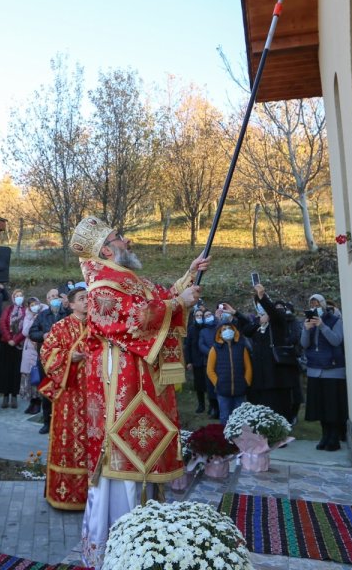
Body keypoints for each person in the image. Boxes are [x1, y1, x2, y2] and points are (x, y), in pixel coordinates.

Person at [71, 215, 206, 567]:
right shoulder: (102, 286)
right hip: (121, 387)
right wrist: (179, 305)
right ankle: (118, 549)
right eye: (118, 237)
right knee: (123, 463)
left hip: (143, 381)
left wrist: (189, 276)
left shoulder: (129, 279)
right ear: (104, 249)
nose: (126, 241)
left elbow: (161, 298)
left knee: (145, 459)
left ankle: (147, 543)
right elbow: (133, 320)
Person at [38, 287, 95, 510]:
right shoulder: (60, 327)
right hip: (69, 396)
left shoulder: (97, 327)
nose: (87, 302)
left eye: (88, 298)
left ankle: (92, 496)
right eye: (81, 299)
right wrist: (71, 356)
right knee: (68, 441)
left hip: (93, 395)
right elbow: (46, 354)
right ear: (70, 305)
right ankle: (62, 494)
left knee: (91, 441)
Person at [242, 283, 299, 422]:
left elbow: (273, 312)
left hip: (277, 375)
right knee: (263, 407)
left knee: (279, 406)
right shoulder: (257, 323)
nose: (260, 306)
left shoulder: (278, 320)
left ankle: (281, 432)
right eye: (258, 304)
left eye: (262, 303)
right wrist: (257, 321)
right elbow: (246, 330)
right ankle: (267, 433)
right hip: (261, 376)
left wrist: (262, 297)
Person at [301, 293, 347, 451]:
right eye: (312, 305)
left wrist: (322, 326)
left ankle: (334, 438)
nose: (315, 308)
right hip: (314, 369)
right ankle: (324, 435)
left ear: (323, 305)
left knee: (332, 407)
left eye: (317, 305)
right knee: (320, 406)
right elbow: (304, 344)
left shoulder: (335, 320)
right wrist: (307, 330)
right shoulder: (308, 322)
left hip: (333, 370)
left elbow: (336, 340)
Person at [26, 289, 66, 433]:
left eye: (56, 296)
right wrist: (43, 335)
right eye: (51, 297)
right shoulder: (42, 315)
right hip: (45, 359)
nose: (54, 299)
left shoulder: (67, 314)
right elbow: (32, 333)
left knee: (63, 391)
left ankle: (62, 422)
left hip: (64, 359)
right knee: (47, 391)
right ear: (47, 301)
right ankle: (47, 422)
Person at [207, 318, 252, 425]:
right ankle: (226, 440)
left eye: (229, 328)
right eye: (224, 329)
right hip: (223, 390)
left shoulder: (241, 347)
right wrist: (217, 383)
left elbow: (248, 367)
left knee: (240, 417)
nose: (227, 330)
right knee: (225, 416)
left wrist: (247, 382)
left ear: (234, 330)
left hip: (240, 389)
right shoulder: (215, 349)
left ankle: (241, 440)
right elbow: (210, 370)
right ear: (219, 333)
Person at [0, 288, 25, 408]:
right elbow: (2, 323)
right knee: (5, 371)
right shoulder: (8, 309)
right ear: (13, 297)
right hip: (6, 344)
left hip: (19, 345)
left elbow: (26, 328)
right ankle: (5, 396)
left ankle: (14, 396)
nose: (19, 297)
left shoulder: (25, 311)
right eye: (17, 295)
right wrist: (9, 339)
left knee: (16, 371)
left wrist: (16, 340)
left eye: (21, 295)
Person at [19, 296, 45, 414]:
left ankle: (38, 402)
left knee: (38, 375)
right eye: (31, 305)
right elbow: (25, 332)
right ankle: (32, 402)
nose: (34, 306)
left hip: (40, 347)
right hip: (29, 349)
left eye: (36, 303)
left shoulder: (45, 312)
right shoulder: (28, 316)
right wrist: (31, 318)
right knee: (29, 376)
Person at [195, 307, 220, 417]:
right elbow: (201, 345)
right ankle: (214, 408)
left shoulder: (219, 327)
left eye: (209, 315)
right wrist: (211, 353)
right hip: (208, 362)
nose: (208, 317)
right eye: (206, 316)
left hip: (221, 362)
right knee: (210, 387)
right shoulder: (203, 331)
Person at [186, 307, 211, 413]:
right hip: (196, 361)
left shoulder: (207, 327)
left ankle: (211, 406)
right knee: (199, 384)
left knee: (209, 384)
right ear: (194, 317)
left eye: (201, 315)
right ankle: (201, 405)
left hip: (208, 360)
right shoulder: (191, 329)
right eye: (197, 316)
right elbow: (188, 346)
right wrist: (189, 361)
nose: (199, 317)